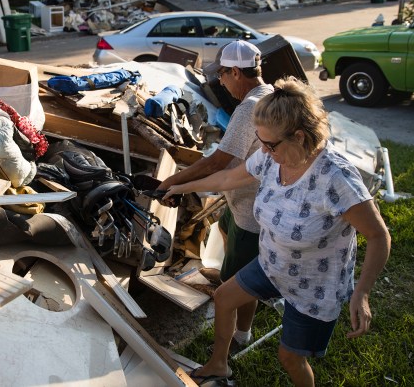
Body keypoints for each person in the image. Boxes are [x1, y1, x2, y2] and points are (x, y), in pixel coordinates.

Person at [163, 77, 391, 386]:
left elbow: (379, 236)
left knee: (289, 358)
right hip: (272, 264)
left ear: (299, 136)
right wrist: (181, 185)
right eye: (261, 141)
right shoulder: (272, 157)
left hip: (314, 286)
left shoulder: (336, 179)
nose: (264, 151)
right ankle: (218, 364)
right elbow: (227, 180)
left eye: (270, 144)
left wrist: (362, 293)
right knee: (223, 297)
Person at [157, 40, 274, 358]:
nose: (219, 82)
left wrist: (173, 181)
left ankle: (242, 335)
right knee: (222, 227)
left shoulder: (250, 107)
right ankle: (226, 272)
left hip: (252, 211)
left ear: (235, 72)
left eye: (222, 75)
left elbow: (217, 162)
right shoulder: (268, 94)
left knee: (243, 281)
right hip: (240, 204)